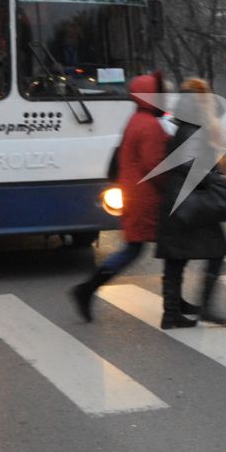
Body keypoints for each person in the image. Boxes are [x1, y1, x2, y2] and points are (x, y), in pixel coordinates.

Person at [71, 72, 170, 321]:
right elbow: (154, 165)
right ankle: (87, 289)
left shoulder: (137, 120)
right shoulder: (148, 125)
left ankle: (87, 289)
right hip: (147, 198)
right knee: (168, 247)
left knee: (138, 249)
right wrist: (172, 185)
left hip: (138, 195)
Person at [153, 78, 226, 328]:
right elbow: (187, 164)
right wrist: (213, 178)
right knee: (217, 252)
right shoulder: (196, 126)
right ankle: (197, 309)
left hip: (180, 202)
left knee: (176, 258)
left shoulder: (183, 123)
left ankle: (172, 312)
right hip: (191, 203)